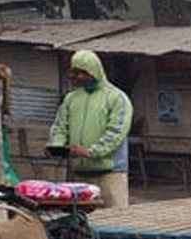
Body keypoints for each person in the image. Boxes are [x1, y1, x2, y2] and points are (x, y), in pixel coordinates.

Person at [47, 50, 134, 208]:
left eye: (82, 73)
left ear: (94, 71)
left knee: (113, 220)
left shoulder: (116, 98)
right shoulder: (71, 98)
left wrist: (92, 152)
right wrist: (56, 146)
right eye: (74, 73)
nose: (77, 77)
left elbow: (116, 132)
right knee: (82, 221)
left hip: (110, 173)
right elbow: (60, 126)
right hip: (80, 175)